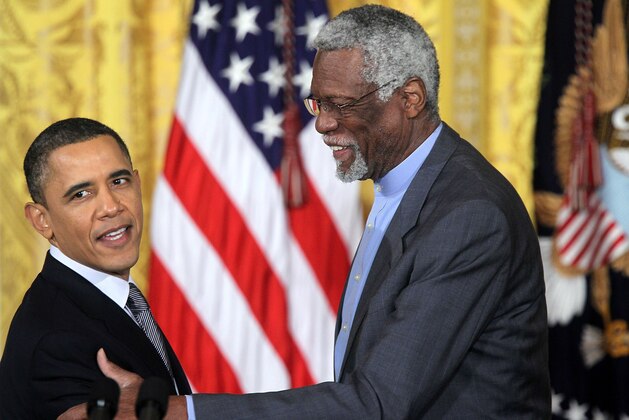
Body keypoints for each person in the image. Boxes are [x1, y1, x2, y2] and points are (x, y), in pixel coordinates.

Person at [61, 5, 551, 419]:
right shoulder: (407, 185)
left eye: (341, 105)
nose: (322, 125)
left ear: (410, 99)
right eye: (317, 102)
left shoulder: (467, 216)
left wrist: (177, 411)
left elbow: (379, 401)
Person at [0, 117, 191, 419]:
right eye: (81, 194)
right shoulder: (56, 342)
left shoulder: (114, 299)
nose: (111, 206)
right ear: (41, 220)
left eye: (119, 181)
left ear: (138, 183)